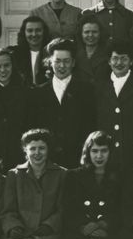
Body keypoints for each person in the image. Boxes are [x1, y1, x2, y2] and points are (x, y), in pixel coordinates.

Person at [29, 38, 95, 169]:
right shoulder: (38, 93)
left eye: (66, 61)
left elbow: (91, 125)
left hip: (77, 161)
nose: (62, 66)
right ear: (50, 63)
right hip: (47, 162)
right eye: (57, 61)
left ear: (73, 63)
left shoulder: (86, 90)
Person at [95, 39, 133, 168]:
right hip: (106, 157)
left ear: (131, 61)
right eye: (115, 58)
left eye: (123, 59)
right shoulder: (99, 87)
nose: (119, 63)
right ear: (109, 61)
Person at [10, 15, 50, 87]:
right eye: (30, 31)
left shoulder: (51, 53)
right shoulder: (14, 53)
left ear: (44, 32)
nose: (34, 34)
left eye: (38, 30)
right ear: (24, 33)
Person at [74, 13, 111, 84]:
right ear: (81, 34)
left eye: (94, 32)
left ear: (100, 33)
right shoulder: (74, 53)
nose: (90, 35)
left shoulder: (108, 53)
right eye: (86, 32)